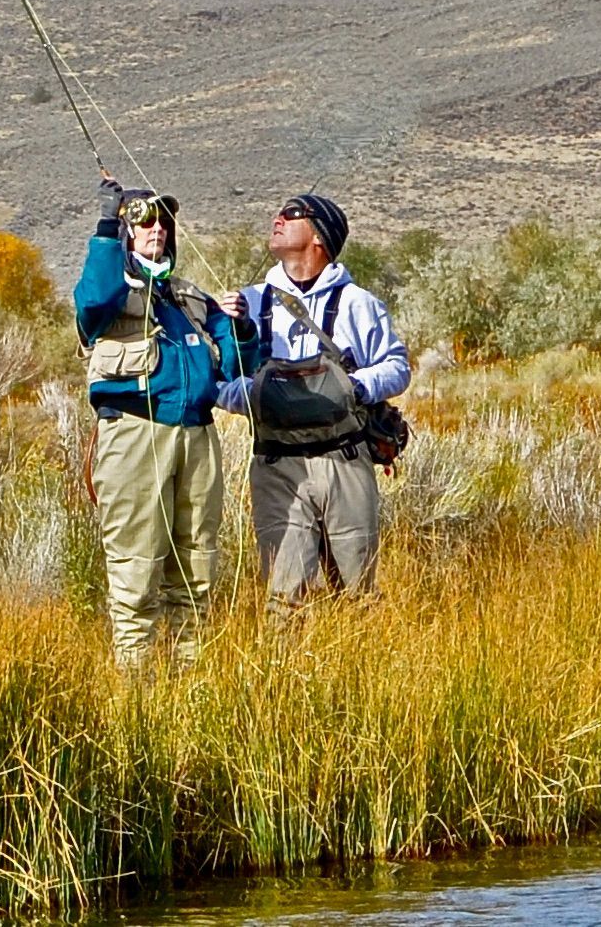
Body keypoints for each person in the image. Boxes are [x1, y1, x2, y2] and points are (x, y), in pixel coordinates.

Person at [74, 179, 259, 665]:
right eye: (144, 221)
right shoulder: (113, 293)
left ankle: (189, 686)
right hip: (135, 435)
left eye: (164, 222)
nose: (157, 229)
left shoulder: (192, 299)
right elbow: (91, 302)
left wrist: (240, 327)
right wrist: (103, 229)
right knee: (136, 573)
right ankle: (135, 693)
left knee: (197, 568)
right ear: (125, 233)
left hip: (199, 437)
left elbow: (238, 367)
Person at [218, 192, 410, 617]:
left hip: (345, 461)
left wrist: (354, 389)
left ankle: (363, 678)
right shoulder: (246, 302)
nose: (277, 219)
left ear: (320, 237)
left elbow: (397, 367)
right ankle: (284, 683)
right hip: (276, 465)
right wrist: (251, 396)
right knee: (284, 600)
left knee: (359, 596)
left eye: (291, 214)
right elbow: (220, 379)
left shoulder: (359, 304)